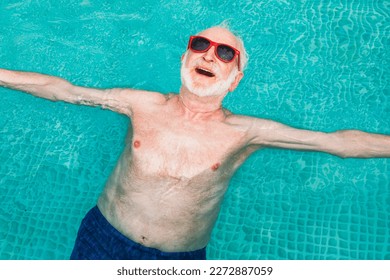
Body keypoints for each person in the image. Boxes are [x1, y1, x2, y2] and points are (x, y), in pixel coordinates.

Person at [1, 26, 389, 260]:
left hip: (179, 262)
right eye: (200, 45)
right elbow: (66, 90)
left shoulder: (246, 132)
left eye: (225, 53)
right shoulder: (142, 105)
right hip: (102, 238)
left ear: (235, 79)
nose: (209, 55)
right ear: (185, 57)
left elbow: (335, 142)